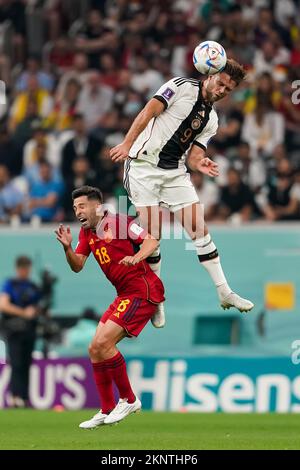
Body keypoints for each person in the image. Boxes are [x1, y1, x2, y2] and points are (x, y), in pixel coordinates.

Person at [110, 59, 254, 328]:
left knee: (199, 230)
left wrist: (201, 162)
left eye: (229, 89)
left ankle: (224, 291)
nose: (223, 90)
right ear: (210, 75)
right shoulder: (179, 86)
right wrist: (127, 143)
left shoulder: (211, 119)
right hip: (143, 167)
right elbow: (147, 112)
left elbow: (194, 156)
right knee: (154, 237)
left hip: (174, 171)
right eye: (221, 83)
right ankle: (156, 301)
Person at [55, 185, 164, 427]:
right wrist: (67, 248)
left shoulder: (118, 222)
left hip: (142, 291)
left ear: (97, 206)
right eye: (75, 208)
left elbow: (152, 240)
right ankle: (105, 409)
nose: (78, 211)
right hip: (123, 294)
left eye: (82, 206)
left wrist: (136, 257)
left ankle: (129, 399)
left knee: (104, 343)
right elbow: (77, 266)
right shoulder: (87, 233)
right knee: (94, 348)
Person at [0, 256, 40, 407]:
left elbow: (39, 306)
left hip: (29, 330)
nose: (25, 271)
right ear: (18, 269)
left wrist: (35, 311)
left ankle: (24, 397)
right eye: (23, 268)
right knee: (16, 363)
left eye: (27, 268)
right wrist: (24, 313)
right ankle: (15, 397)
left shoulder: (32, 286)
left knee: (26, 363)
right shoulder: (10, 284)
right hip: (14, 330)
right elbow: (3, 305)